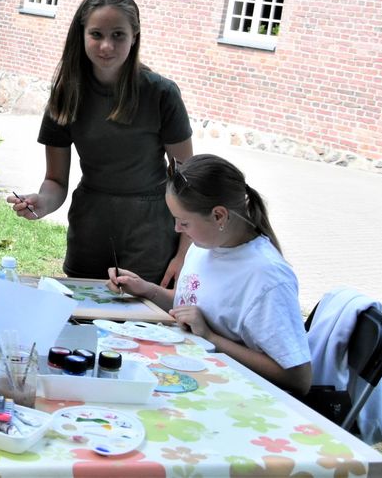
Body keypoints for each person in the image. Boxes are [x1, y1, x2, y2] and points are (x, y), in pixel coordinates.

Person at [8, 0, 192, 285]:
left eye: (118, 35)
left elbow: (188, 183)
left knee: (142, 312)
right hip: (90, 227)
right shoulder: (66, 94)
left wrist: (184, 254)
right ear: (82, 35)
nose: (107, 46)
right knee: (85, 309)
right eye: (96, 34)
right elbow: (55, 181)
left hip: (151, 232)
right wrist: (42, 202)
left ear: (134, 36)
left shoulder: (161, 94)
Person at [108, 153, 312, 396]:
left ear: (218, 216)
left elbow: (298, 377)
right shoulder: (205, 246)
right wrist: (147, 290)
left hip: (236, 396)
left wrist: (211, 337)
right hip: (189, 377)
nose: (177, 229)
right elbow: (191, 306)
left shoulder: (267, 278)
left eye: (184, 222)